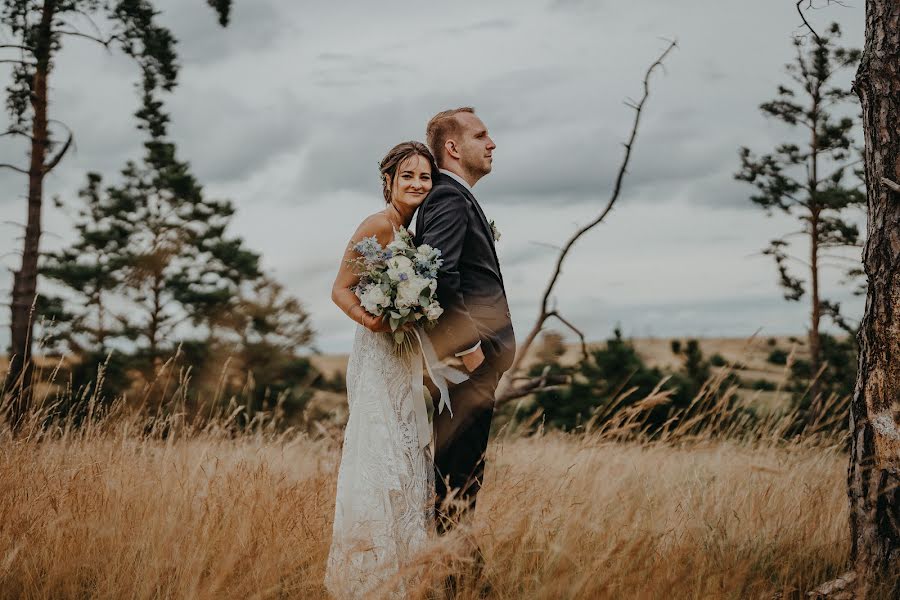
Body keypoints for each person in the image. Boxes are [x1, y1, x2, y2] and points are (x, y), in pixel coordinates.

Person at [325, 141, 439, 599]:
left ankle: (407, 574)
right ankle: (370, 580)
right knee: (380, 455)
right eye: (407, 176)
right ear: (388, 180)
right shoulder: (377, 224)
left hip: (404, 357)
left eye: (425, 177)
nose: (417, 184)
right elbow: (340, 289)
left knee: (409, 456)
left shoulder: (414, 230)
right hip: (377, 356)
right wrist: (374, 318)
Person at [414, 107, 516, 534]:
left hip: (470, 372)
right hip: (465, 372)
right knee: (456, 491)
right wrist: (469, 351)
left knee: (459, 487)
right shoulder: (447, 198)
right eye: (482, 135)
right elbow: (437, 275)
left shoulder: (455, 198)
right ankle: (455, 585)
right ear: (453, 148)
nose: (492, 144)